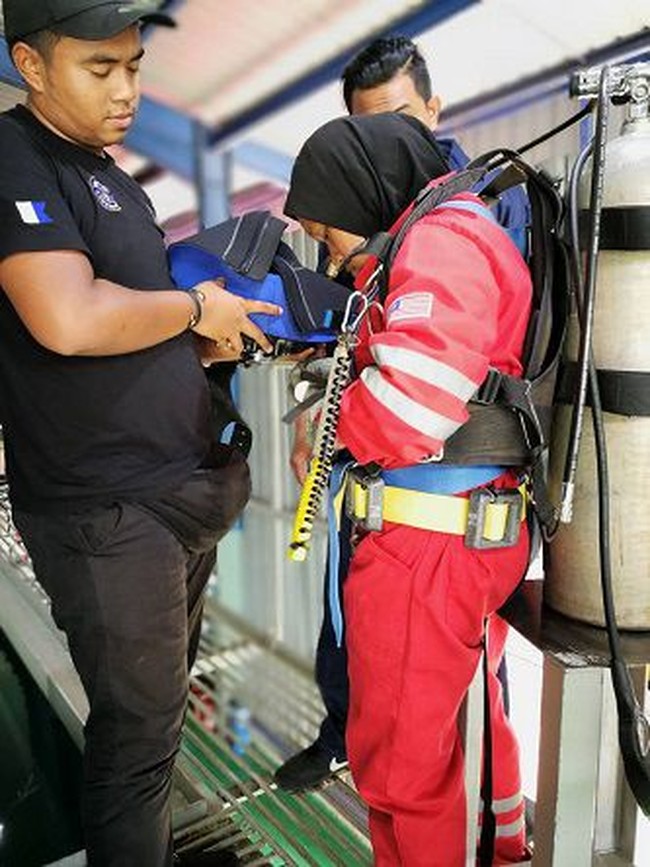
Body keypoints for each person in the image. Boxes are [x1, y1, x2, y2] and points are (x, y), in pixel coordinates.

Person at [0, 2, 282, 865]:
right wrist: (196, 304)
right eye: (99, 68)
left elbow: (124, 327)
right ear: (31, 64)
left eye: (133, 66)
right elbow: (68, 319)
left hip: (170, 494)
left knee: (154, 732)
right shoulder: (15, 155)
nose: (126, 90)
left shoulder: (107, 175)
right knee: (136, 745)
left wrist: (198, 341)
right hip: (107, 511)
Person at [275, 34, 527, 793]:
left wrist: (333, 425)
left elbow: (412, 401)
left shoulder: (444, 237)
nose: (333, 250)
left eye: (328, 230)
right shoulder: (423, 235)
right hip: (436, 523)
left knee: (405, 771)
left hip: (431, 530)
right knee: (452, 737)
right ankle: (501, 842)